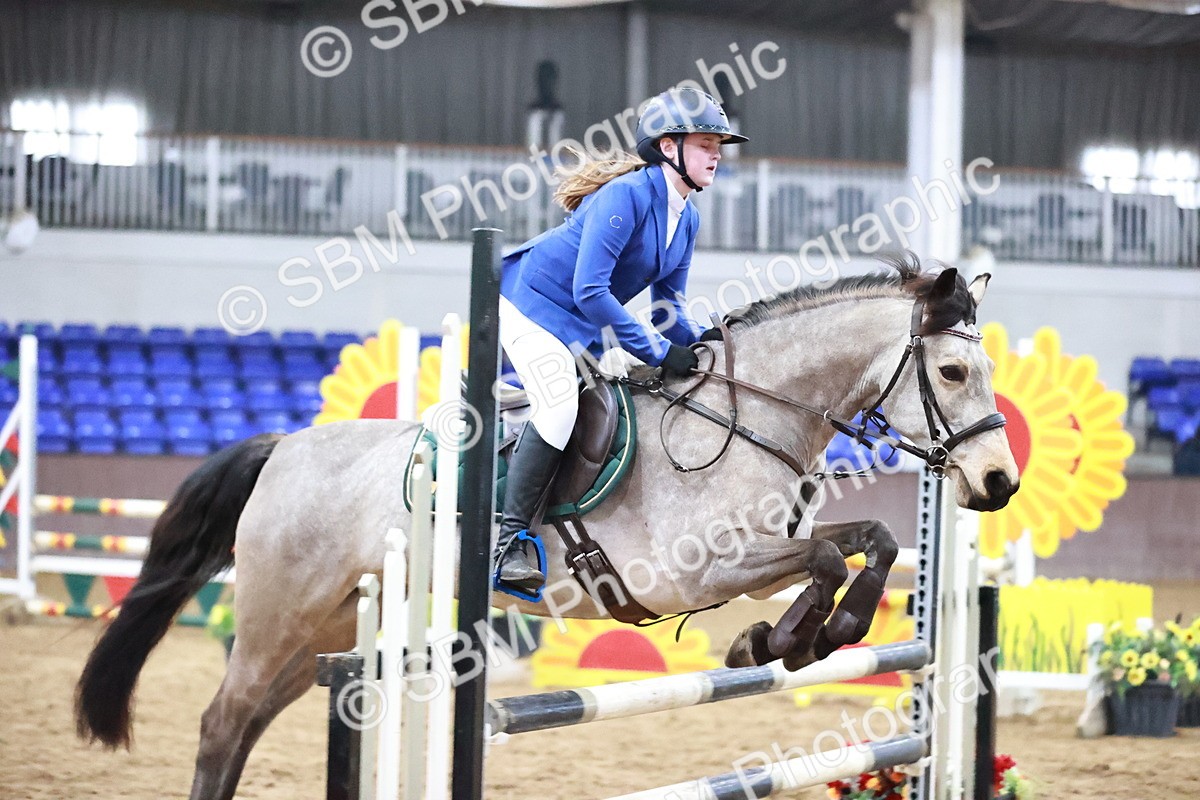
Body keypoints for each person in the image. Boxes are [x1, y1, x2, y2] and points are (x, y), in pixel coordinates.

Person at [493, 88, 749, 598]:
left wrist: (706, 348)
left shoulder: (688, 218)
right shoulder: (626, 194)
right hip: (531, 303)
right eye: (705, 143)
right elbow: (591, 289)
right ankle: (508, 542)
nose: (717, 152)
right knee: (561, 403)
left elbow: (667, 306)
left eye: (718, 143)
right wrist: (657, 353)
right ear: (668, 147)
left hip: (579, 324)